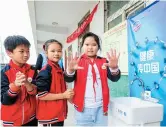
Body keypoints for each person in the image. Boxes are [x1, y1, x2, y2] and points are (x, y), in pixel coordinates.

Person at [64, 32, 121, 126]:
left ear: (98, 47)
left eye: (94, 45)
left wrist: (114, 68)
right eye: (87, 44)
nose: (90, 47)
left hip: (101, 109)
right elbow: (68, 79)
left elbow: (114, 78)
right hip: (82, 109)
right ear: (82, 46)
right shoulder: (77, 61)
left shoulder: (104, 61)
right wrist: (70, 70)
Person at [36, 39, 74, 126]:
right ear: (46, 53)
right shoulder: (46, 71)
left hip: (58, 112)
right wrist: (64, 95)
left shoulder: (58, 68)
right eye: (52, 51)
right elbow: (42, 95)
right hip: (51, 116)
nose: (56, 53)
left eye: (59, 51)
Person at [1, 35, 38, 126]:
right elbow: (4, 100)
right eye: (21, 51)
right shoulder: (4, 72)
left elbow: (35, 92)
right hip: (11, 120)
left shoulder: (33, 70)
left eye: (28, 51)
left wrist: (27, 84)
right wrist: (15, 86)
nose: (26, 54)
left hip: (31, 118)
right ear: (9, 53)